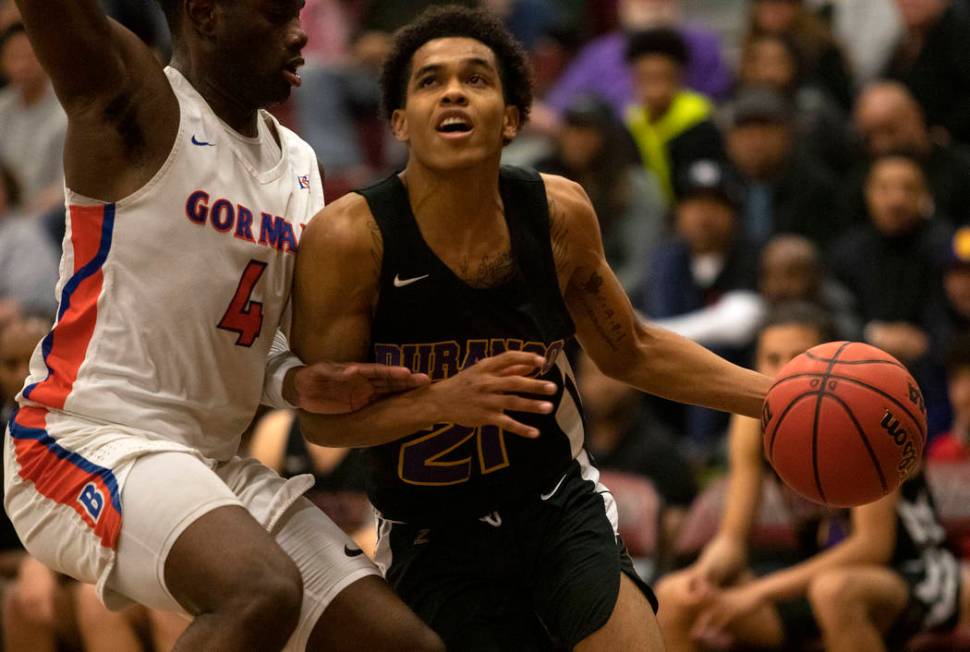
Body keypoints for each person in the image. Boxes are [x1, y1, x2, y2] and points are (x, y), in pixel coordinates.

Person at [291, 6, 774, 649]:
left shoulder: (557, 212)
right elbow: (323, 422)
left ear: (512, 119)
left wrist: (777, 396)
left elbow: (633, 350)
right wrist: (443, 402)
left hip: (555, 501)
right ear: (401, 121)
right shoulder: (352, 238)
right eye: (431, 81)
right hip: (432, 528)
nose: (455, 91)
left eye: (477, 79)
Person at [0, 1, 477, 650]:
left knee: (401, 644)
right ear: (205, 14)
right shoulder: (138, 104)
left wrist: (301, 381)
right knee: (259, 591)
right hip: (86, 436)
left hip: (209, 461)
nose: (299, 32)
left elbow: (262, 344)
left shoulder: (301, 165)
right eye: (277, 14)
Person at [655, 302, 970, 651]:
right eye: (771, 359)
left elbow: (871, 547)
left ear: (828, 362)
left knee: (834, 592)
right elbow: (732, 541)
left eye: (796, 359)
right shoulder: (751, 423)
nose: (782, 373)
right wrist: (705, 573)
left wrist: (755, 594)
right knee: (676, 596)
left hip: (913, 573)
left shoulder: (863, 413)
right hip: (820, 574)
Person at [624, 27, 724, 204]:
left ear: (678, 77)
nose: (654, 89)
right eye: (646, 78)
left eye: (661, 77)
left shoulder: (700, 119)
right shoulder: (631, 123)